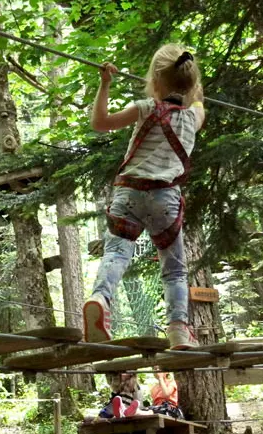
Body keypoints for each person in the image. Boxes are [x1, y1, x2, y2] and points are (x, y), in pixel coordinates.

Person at [82, 43, 206, 349]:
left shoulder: (145, 108)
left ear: (154, 81)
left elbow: (99, 123)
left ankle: (100, 297)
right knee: (174, 268)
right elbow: (199, 103)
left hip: (129, 193)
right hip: (165, 199)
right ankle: (178, 328)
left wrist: (104, 84)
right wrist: (194, 90)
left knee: (116, 253)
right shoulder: (193, 118)